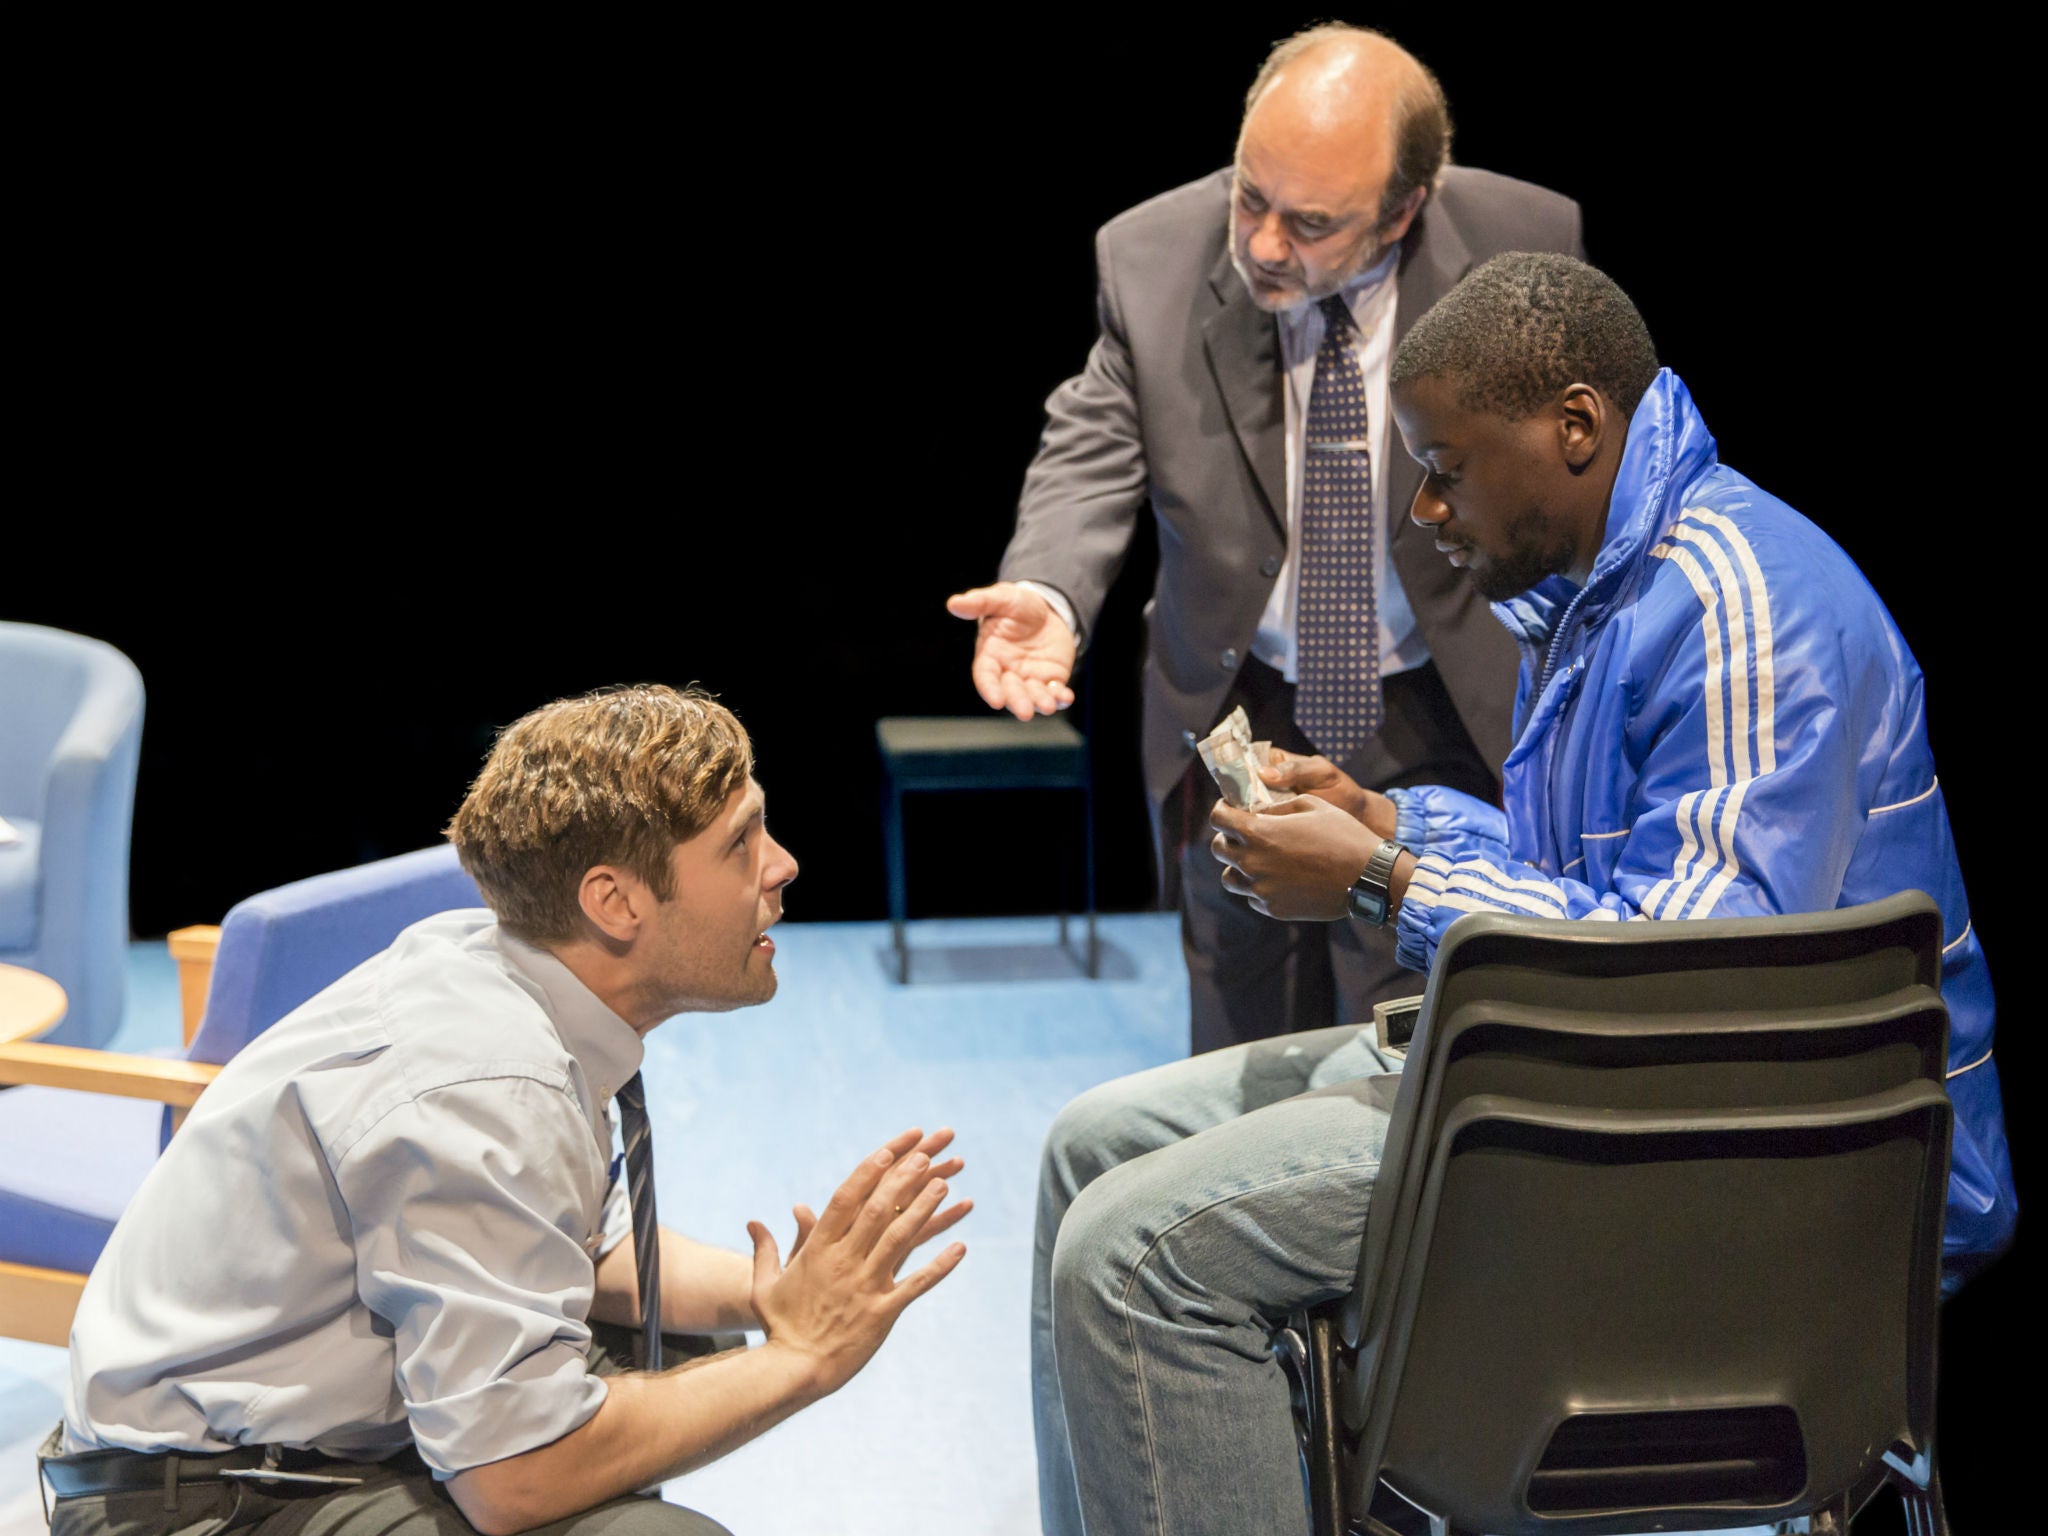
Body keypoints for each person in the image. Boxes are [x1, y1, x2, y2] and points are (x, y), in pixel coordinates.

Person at [1032, 254, 2016, 1535]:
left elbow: (1694, 988)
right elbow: (1593, 894)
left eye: (1444, 466)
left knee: (1134, 1258)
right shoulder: (1608, 590)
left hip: (1771, 1169)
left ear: (1572, 426)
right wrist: (1387, 818)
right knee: (1086, 1149)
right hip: (1609, 1088)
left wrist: (1385, 881)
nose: (1426, 510)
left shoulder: (1735, 610)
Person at [47, 686, 971, 1535]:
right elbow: (514, 1477)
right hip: (192, 1496)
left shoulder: (512, 967)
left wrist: (776, 1296)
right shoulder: (485, 1082)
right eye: (742, 842)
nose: (783, 865)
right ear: (613, 902)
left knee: (694, 1336)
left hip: (295, 1425)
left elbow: (592, 1247)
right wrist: (805, 1358)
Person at [949, 23, 1584, 1055]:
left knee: (1405, 1039)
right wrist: (1051, 592)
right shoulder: (1150, 256)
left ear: (1403, 209)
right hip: (1237, 701)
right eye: (1249, 197)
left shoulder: (1525, 249)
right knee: (1236, 1025)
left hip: (1436, 703)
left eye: (1310, 222)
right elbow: (1095, 436)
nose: (1261, 244)